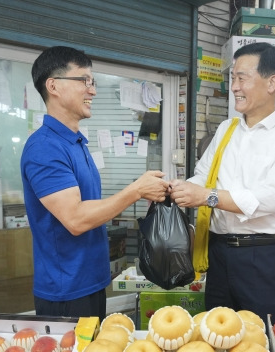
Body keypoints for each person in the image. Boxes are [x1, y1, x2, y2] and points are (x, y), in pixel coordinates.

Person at [21, 46, 169, 320]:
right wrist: (135, 190)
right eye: (83, 81)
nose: (93, 91)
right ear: (53, 85)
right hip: (66, 291)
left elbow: (91, 206)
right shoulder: (45, 148)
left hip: (91, 282)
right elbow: (76, 219)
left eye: (93, 82)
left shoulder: (76, 142)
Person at [169, 42, 275, 324]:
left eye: (242, 78)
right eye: (233, 78)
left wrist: (206, 196)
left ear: (271, 82)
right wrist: (177, 190)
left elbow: (270, 198)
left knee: (263, 342)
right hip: (219, 254)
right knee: (218, 339)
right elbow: (203, 176)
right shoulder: (226, 130)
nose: (234, 87)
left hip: (263, 257)